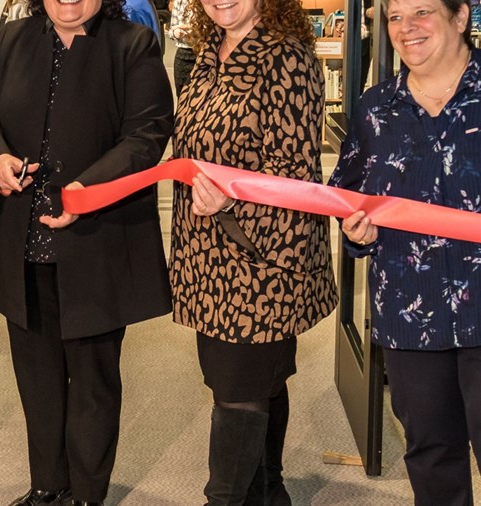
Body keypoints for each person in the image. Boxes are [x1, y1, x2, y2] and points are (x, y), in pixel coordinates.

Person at [0, 0, 174, 502]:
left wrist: (86, 190)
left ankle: (85, 494)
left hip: (95, 239)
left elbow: (147, 134)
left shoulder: (132, 44)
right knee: (37, 379)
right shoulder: (13, 40)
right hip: (24, 244)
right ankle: (47, 487)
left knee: (94, 385)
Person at [170, 0, 338, 502]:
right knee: (254, 382)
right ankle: (269, 490)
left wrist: (231, 195)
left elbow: (296, 174)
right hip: (208, 258)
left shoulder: (287, 57)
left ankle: (224, 498)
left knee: (238, 392)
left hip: (262, 261)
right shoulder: (208, 53)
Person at [329, 0, 480, 503]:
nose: (406, 28)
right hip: (409, 312)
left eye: (422, 12)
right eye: (394, 17)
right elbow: (347, 194)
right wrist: (356, 232)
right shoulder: (376, 108)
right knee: (431, 454)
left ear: (461, 17)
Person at [168, 0, 196, 95]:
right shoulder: (179, 2)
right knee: (181, 96)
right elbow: (171, 30)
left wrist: (185, 27)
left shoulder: (207, 3)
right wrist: (176, 33)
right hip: (183, 54)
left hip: (203, 54)